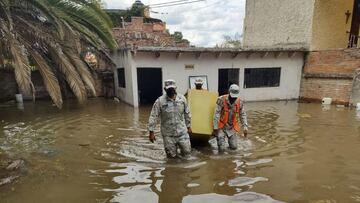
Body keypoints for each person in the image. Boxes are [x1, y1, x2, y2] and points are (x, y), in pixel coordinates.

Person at [148, 79, 192, 158]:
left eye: (172, 89)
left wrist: (188, 126)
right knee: (171, 157)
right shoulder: (160, 101)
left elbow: (187, 113)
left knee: (187, 154)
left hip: (182, 133)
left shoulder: (182, 99)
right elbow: (153, 116)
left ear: (175, 88)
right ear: (165, 89)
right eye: (169, 89)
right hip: (168, 135)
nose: (171, 90)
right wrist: (151, 132)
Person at [212, 84, 248, 152]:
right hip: (221, 126)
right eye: (232, 97)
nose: (233, 99)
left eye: (235, 97)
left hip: (231, 127)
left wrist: (245, 126)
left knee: (234, 148)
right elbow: (216, 113)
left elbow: (242, 114)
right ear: (229, 92)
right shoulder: (221, 99)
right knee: (221, 149)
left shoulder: (240, 102)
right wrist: (215, 128)